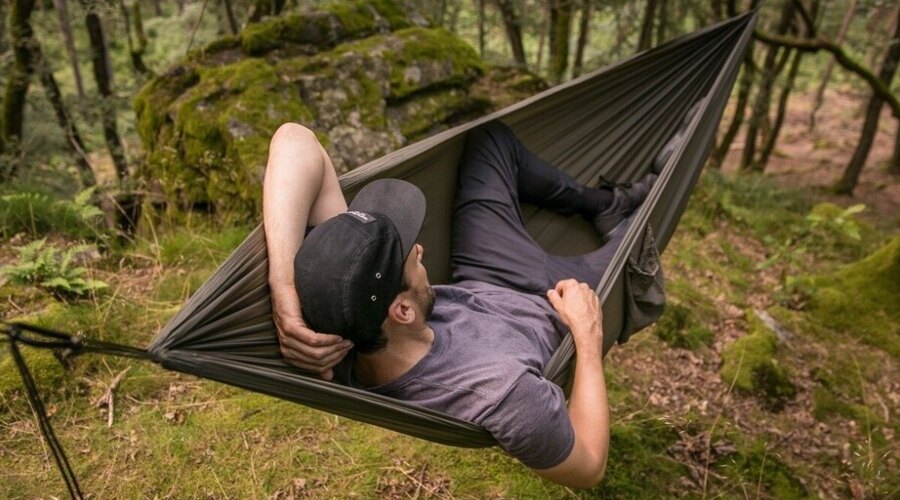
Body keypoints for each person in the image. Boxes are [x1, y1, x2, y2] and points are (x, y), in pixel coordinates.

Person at [263, 121, 656, 488]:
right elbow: (588, 468)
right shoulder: (502, 393)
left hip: (486, 278)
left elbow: (295, 139)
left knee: (491, 139)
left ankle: (603, 204)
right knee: (641, 238)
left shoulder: (335, 317)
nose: (419, 248)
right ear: (402, 311)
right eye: (411, 257)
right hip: (559, 304)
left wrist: (283, 284)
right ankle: (621, 214)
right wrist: (587, 338)